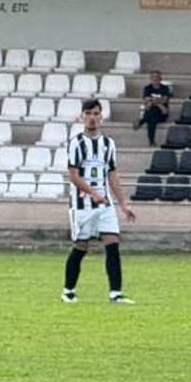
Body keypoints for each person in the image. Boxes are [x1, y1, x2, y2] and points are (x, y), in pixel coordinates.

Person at [61, 98, 134, 305]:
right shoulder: (76, 143)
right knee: (81, 246)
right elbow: (73, 175)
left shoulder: (108, 144)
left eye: (95, 114)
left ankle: (115, 293)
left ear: (101, 117)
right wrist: (93, 193)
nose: (92, 118)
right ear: (82, 117)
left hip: (105, 204)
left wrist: (123, 203)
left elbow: (112, 175)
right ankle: (68, 290)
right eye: (88, 114)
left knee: (112, 243)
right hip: (82, 203)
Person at [137, 69, 171, 146]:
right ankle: (151, 141)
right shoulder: (147, 88)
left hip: (162, 114)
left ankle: (142, 121)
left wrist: (152, 102)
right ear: (150, 79)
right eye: (153, 77)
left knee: (151, 113)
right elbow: (146, 100)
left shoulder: (165, 88)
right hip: (156, 111)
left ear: (160, 79)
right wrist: (159, 103)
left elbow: (165, 100)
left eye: (157, 77)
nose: (155, 79)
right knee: (152, 118)